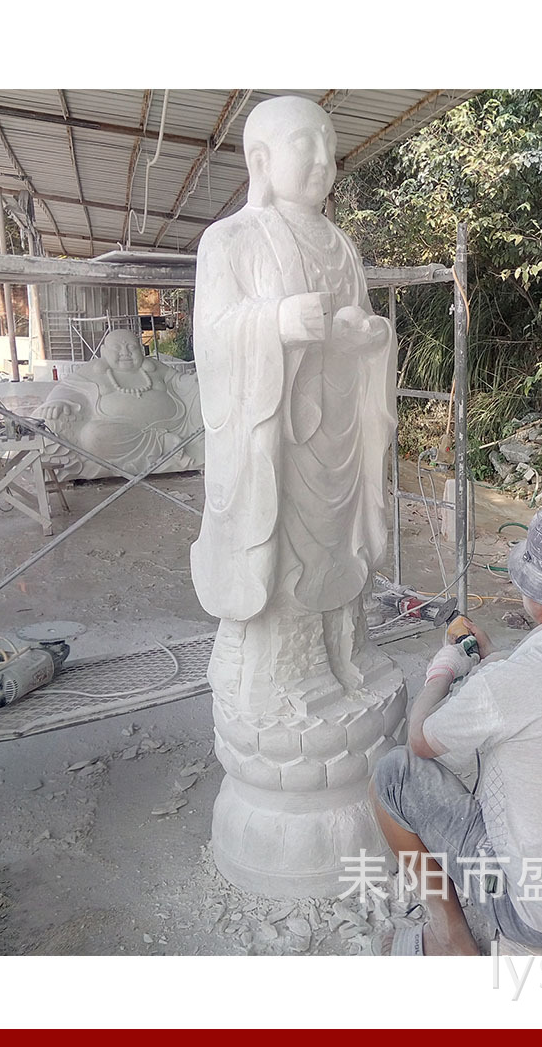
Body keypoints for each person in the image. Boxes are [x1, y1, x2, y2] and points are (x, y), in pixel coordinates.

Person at [189, 96, 396, 711]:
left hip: (338, 430)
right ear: (261, 160)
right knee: (286, 560)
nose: (324, 160)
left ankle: (348, 654)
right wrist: (275, 320)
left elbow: (356, 324)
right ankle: (286, 678)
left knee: (337, 548)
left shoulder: (341, 244)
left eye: (330, 147)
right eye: (306, 144)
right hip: (278, 438)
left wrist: (369, 338)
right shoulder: (230, 239)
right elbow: (211, 337)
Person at [370, 505, 542, 955]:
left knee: (393, 774)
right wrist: (493, 658)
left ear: (530, 589)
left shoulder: (510, 682)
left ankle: (451, 940)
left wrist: (443, 669)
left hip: (534, 916)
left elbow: (420, 740)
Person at [34, 327, 202, 479]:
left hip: (178, 424)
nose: (125, 353)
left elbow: (180, 381)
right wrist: (57, 402)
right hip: (118, 433)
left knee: (200, 396)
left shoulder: (154, 367)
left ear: (141, 350)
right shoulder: (92, 371)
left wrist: (194, 381)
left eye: (132, 348)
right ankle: (163, 443)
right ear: (104, 351)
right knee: (93, 435)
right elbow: (67, 388)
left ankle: (183, 446)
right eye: (117, 348)